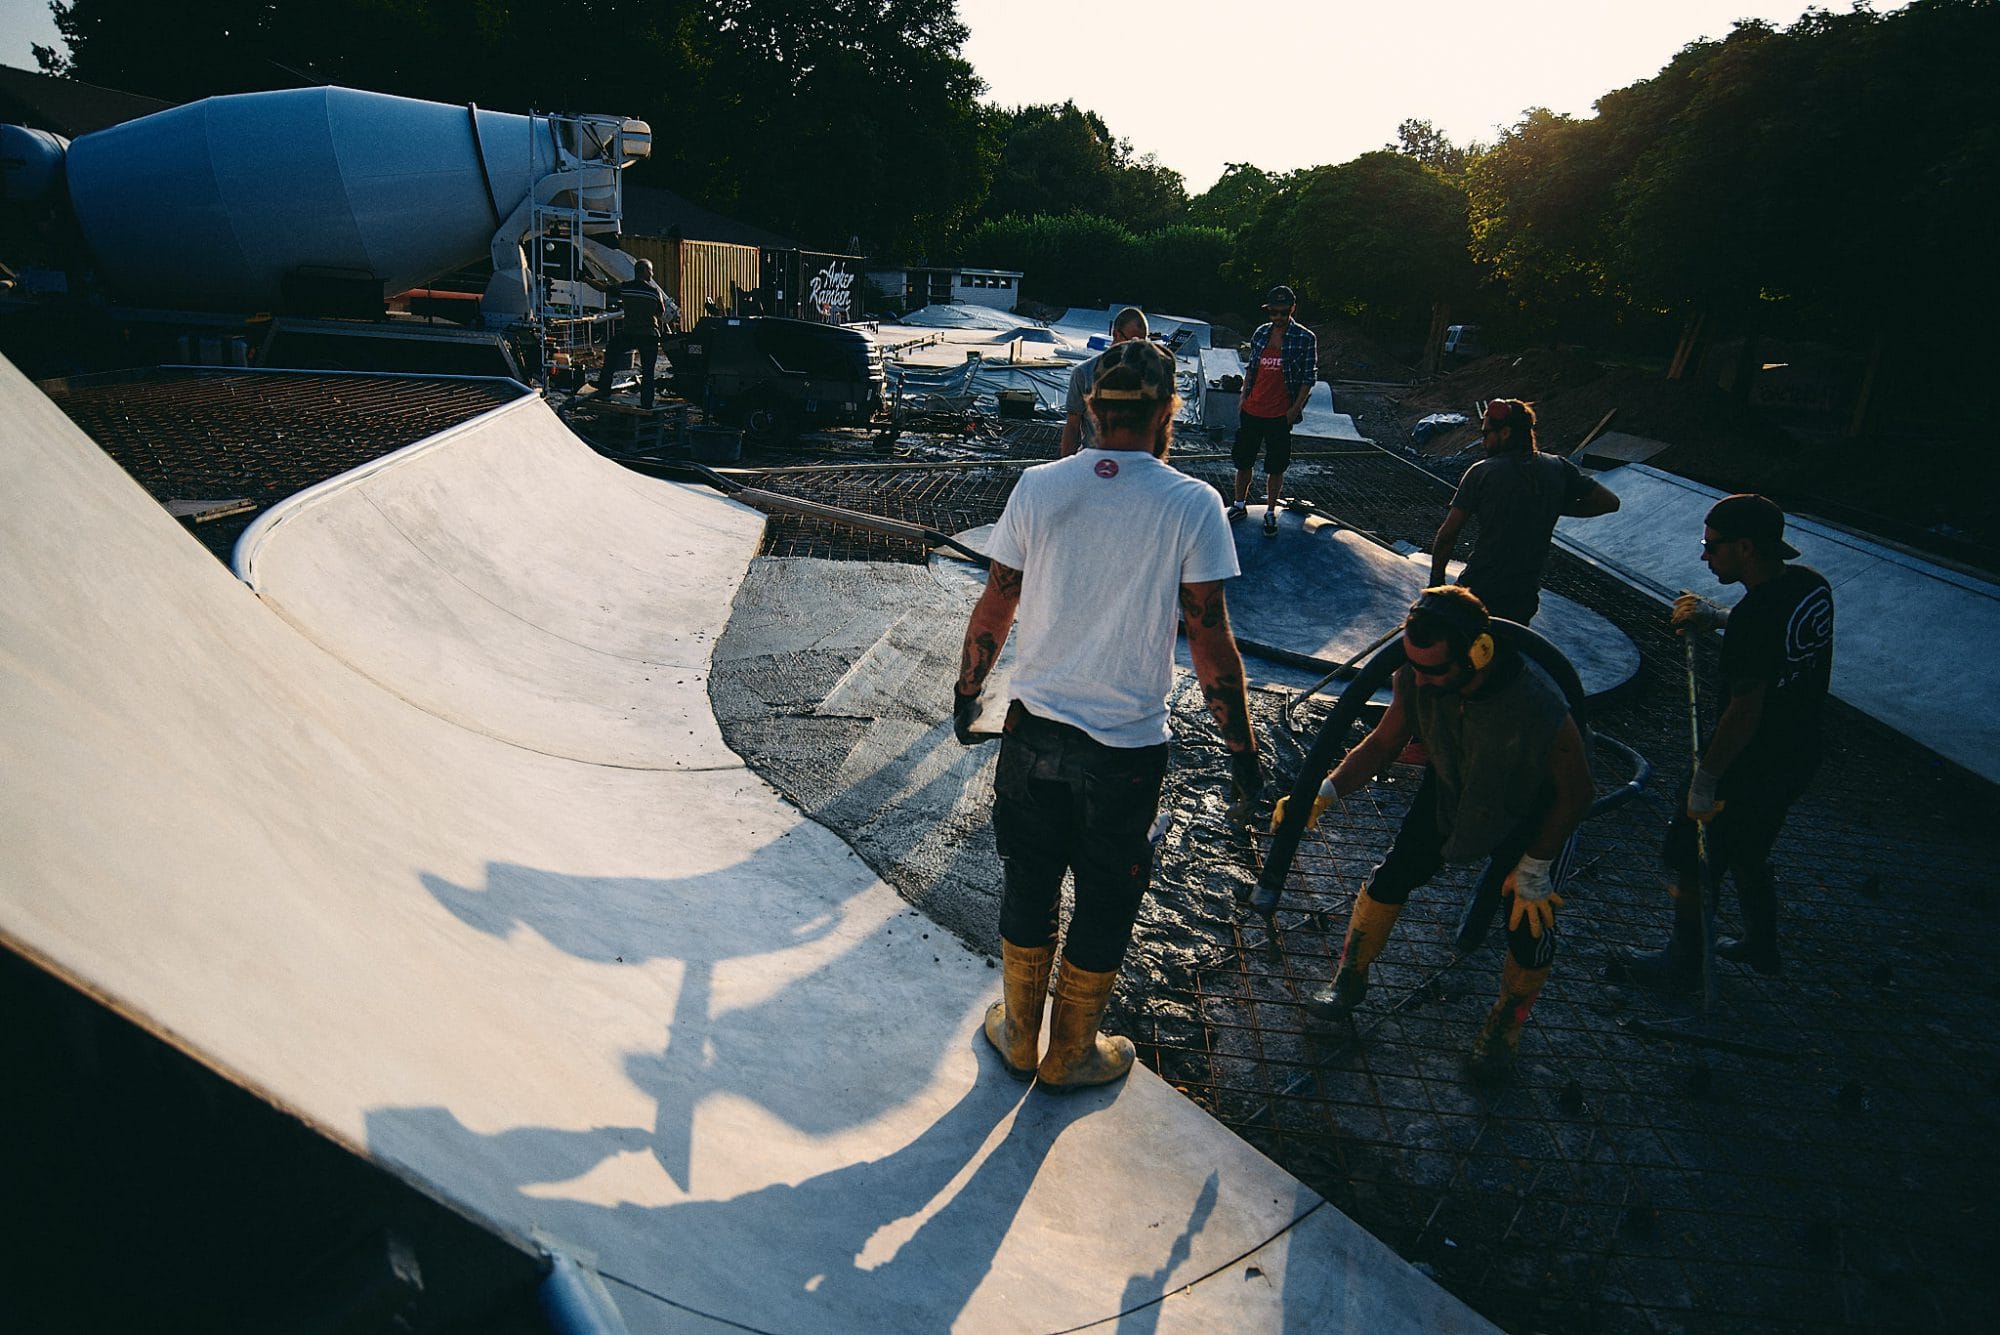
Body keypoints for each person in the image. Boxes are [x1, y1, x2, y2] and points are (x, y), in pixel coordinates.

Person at [954, 339, 1261, 1092]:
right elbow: (1210, 639)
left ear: (1090, 407)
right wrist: (1243, 747)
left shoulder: (1039, 485)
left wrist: (968, 691)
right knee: (1105, 894)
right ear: (1166, 412)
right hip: (1123, 752)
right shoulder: (1192, 503)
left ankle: (1019, 1036)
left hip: (1032, 735)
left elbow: (997, 601)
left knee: (1028, 880)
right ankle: (1071, 1054)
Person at [1293, 587, 1595, 1077]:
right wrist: (1326, 790)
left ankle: (1505, 1027)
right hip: (1454, 787)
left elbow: (1579, 792)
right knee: (1392, 877)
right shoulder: (1420, 678)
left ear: (1479, 653)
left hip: (1533, 813)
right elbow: (1384, 743)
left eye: (1433, 670)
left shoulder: (1539, 702)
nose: (1420, 679)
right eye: (1413, 665)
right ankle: (1350, 977)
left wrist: (1537, 864)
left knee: (1527, 923)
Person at [1612, 494, 1833, 987]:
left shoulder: (1755, 621)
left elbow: (1744, 711)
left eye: (1711, 547)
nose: (1703, 556)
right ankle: (1761, 944)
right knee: (1751, 847)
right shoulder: (1810, 586)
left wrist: (1705, 781)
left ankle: (1683, 962)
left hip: (1749, 760)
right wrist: (1719, 616)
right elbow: (1778, 629)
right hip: (1800, 752)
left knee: (1694, 854)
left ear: (1747, 548)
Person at [1429, 398, 1621, 624]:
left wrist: (1436, 585)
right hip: (1523, 595)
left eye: (1486, 434)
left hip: (1480, 589)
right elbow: (1609, 502)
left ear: (1505, 433)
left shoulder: (1482, 472)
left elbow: (1448, 535)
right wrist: (1556, 506)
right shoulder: (1558, 467)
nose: (1484, 442)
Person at [1230, 285, 1318, 537]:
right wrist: (1243, 397)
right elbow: (1251, 368)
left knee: (1276, 465)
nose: (1278, 317)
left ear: (1292, 309)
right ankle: (1239, 505)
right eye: (1273, 313)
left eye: (1282, 312)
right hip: (1253, 409)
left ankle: (1270, 512)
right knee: (1243, 460)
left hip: (1280, 414)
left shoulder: (1305, 338)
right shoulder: (1261, 333)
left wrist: (1294, 409)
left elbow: (1308, 378)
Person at [1058, 306, 1149, 457]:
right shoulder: (1084, 373)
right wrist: (1067, 469)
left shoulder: (1149, 376)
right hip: (1095, 461)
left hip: (1135, 464)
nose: (1136, 349)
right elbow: (1073, 426)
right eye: (1132, 342)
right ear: (1116, 334)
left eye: (1141, 344)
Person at [592, 258, 679, 409]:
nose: (652, 274)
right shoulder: (654, 292)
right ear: (645, 271)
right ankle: (647, 404)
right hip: (650, 335)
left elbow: (603, 288)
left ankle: (604, 387)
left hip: (630, 333)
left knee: (612, 350)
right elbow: (661, 313)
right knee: (648, 371)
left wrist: (585, 279)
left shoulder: (625, 288)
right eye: (651, 270)